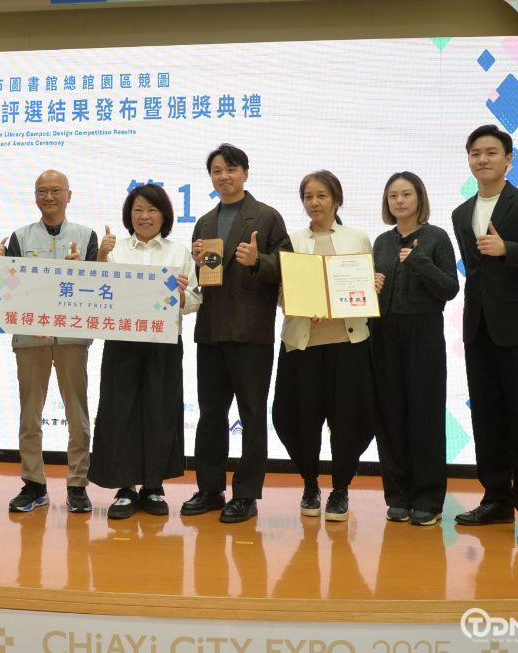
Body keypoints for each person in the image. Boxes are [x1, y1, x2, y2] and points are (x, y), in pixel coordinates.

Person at [451, 125, 518, 545]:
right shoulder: (461, 213)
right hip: (479, 329)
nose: (483, 159)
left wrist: (509, 250)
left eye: (491, 152)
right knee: (487, 419)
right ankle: (496, 500)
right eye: (475, 153)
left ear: (509, 159)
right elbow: (477, 274)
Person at [258, 171, 375, 522]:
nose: (314, 203)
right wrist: (305, 304)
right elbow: (281, 293)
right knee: (296, 417)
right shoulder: (292, 241)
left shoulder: (357, 238)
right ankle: (310, 483)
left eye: (321, 195)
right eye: (308, 197)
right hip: (302, 343)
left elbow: (365, 287)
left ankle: (341, 489)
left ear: (336, 200)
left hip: (349, 343)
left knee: (350, 419)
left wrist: (369, 287)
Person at [182, 143, 289, 524]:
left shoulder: (267, 217)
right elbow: (202, 279)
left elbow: (288, 267)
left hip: (251, 332)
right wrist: (196, 263)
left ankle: (246, 494)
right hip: (211, 330)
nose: (223, 176)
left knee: (252, 414)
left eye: (230, 169)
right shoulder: (204, 222)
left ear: (245, 172)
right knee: (211, 413)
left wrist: (259, 261)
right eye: (216, 170)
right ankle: (210, 488)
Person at [88, 184, 200, 519]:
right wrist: (100, 258)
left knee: (159, 411)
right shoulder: (115, 250)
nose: (145, 216)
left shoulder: (178, 253)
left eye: (152, 210)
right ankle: (125, 488)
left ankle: (153, 487)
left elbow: (195, 301)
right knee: (119, 410)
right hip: (122, 342)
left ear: (164, 215)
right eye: (138, 210)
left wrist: (182, 296)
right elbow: (94, 292)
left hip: (164, 344)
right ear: (129, 215)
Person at [0, 170, 99, 514]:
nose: (49, 197)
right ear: (35, 196)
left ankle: (77, 485)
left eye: (56, 190)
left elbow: (98, 289)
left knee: (77, 413)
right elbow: (10, 289)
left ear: (69, 195)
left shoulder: (87, 236)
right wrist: (0, 263)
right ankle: (34, 483)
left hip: (71, 338)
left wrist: (83, 269)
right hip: (30, 338)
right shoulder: (20, 237)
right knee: (29, 414)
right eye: (42, 191)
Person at [371, 171, 459, 526]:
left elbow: (450, 288)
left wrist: (420, 262)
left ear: (420, 198)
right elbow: (369, 291)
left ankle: (428, 498)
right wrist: (370, 285)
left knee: (425, 414)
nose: (399, 201)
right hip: (383, 332)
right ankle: (398, 496)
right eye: (393, 195)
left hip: (423, 331)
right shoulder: (381, 242)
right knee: (389, 415)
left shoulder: (436, 237)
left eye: (406, 194)